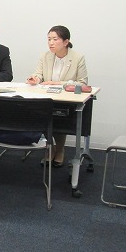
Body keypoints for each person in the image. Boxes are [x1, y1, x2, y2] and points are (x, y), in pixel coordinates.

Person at [26, 25, 89, 167]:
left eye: (55, 39)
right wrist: (35, 79)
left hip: (67, 100)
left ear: (66, 42)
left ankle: (60, 150)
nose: (51, 43)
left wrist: (57, 83)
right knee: (41, 116)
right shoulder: (45, 56)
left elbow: (82, 83)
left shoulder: (78, 58)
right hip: (47, 98)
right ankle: (51, 148)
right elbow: (39, 74)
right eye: (49, 39)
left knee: (60, 120)